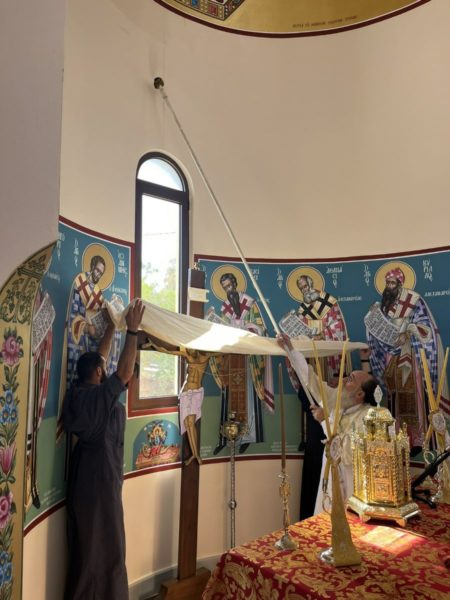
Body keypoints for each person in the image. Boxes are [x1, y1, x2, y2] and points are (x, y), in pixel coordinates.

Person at [62, 299, 145, 600]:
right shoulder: (98, 399)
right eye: (103, 368)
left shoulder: (80, 394)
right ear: (98, 373)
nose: (106, 369)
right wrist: (132, 331)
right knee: (106, 549)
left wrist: (111, 326)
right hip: (100, 484)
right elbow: (123, 373)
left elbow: (102, 358)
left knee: (89, 549)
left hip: (87, 479)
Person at [277, 333, 377, 515]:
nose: (344, 380)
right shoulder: (338, 401)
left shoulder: (369, 417)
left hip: (352, 487)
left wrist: (325, 420)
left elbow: (348, 451)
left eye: (350, 379)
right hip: (330, 481)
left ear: (360, 394)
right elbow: (311, 379)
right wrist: (291, 350)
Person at [280, 272, 349, 519]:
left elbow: (338, 333)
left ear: (313, 284)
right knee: (313, 448)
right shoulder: (300, 312)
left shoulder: (330, 304)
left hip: (329, 373)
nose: (304, 289)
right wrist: (295, 343)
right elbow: (298, 342)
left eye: (305, 285)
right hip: (312, 377)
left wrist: (320, 337)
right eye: (300, 287)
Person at [365, 266, 449, 451]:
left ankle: (418, 438)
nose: (389, 286)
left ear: (400, 284)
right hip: (391, 356)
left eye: (392, 283)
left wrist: (409, 331)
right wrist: (373, 318)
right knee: (394, 393)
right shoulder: (385, 304)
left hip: (409, 354)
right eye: (387, 283)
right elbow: (379, 329)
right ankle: (399, 436)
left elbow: (425, 326)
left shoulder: (413, 300)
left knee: (413, 394)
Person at [207, 271, 273, 455]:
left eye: (230, 286)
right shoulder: (225, 307)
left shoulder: (249, 303)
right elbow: (221, 328)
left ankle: (249, 436)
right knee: (229, 397)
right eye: (225, 288)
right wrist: (212, 321)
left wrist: (245, 329)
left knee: (249, 398)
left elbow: (261, 328)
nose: (228, 290)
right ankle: (227, 438)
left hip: (248, 359)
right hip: (231, 359)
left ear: (235, 284)